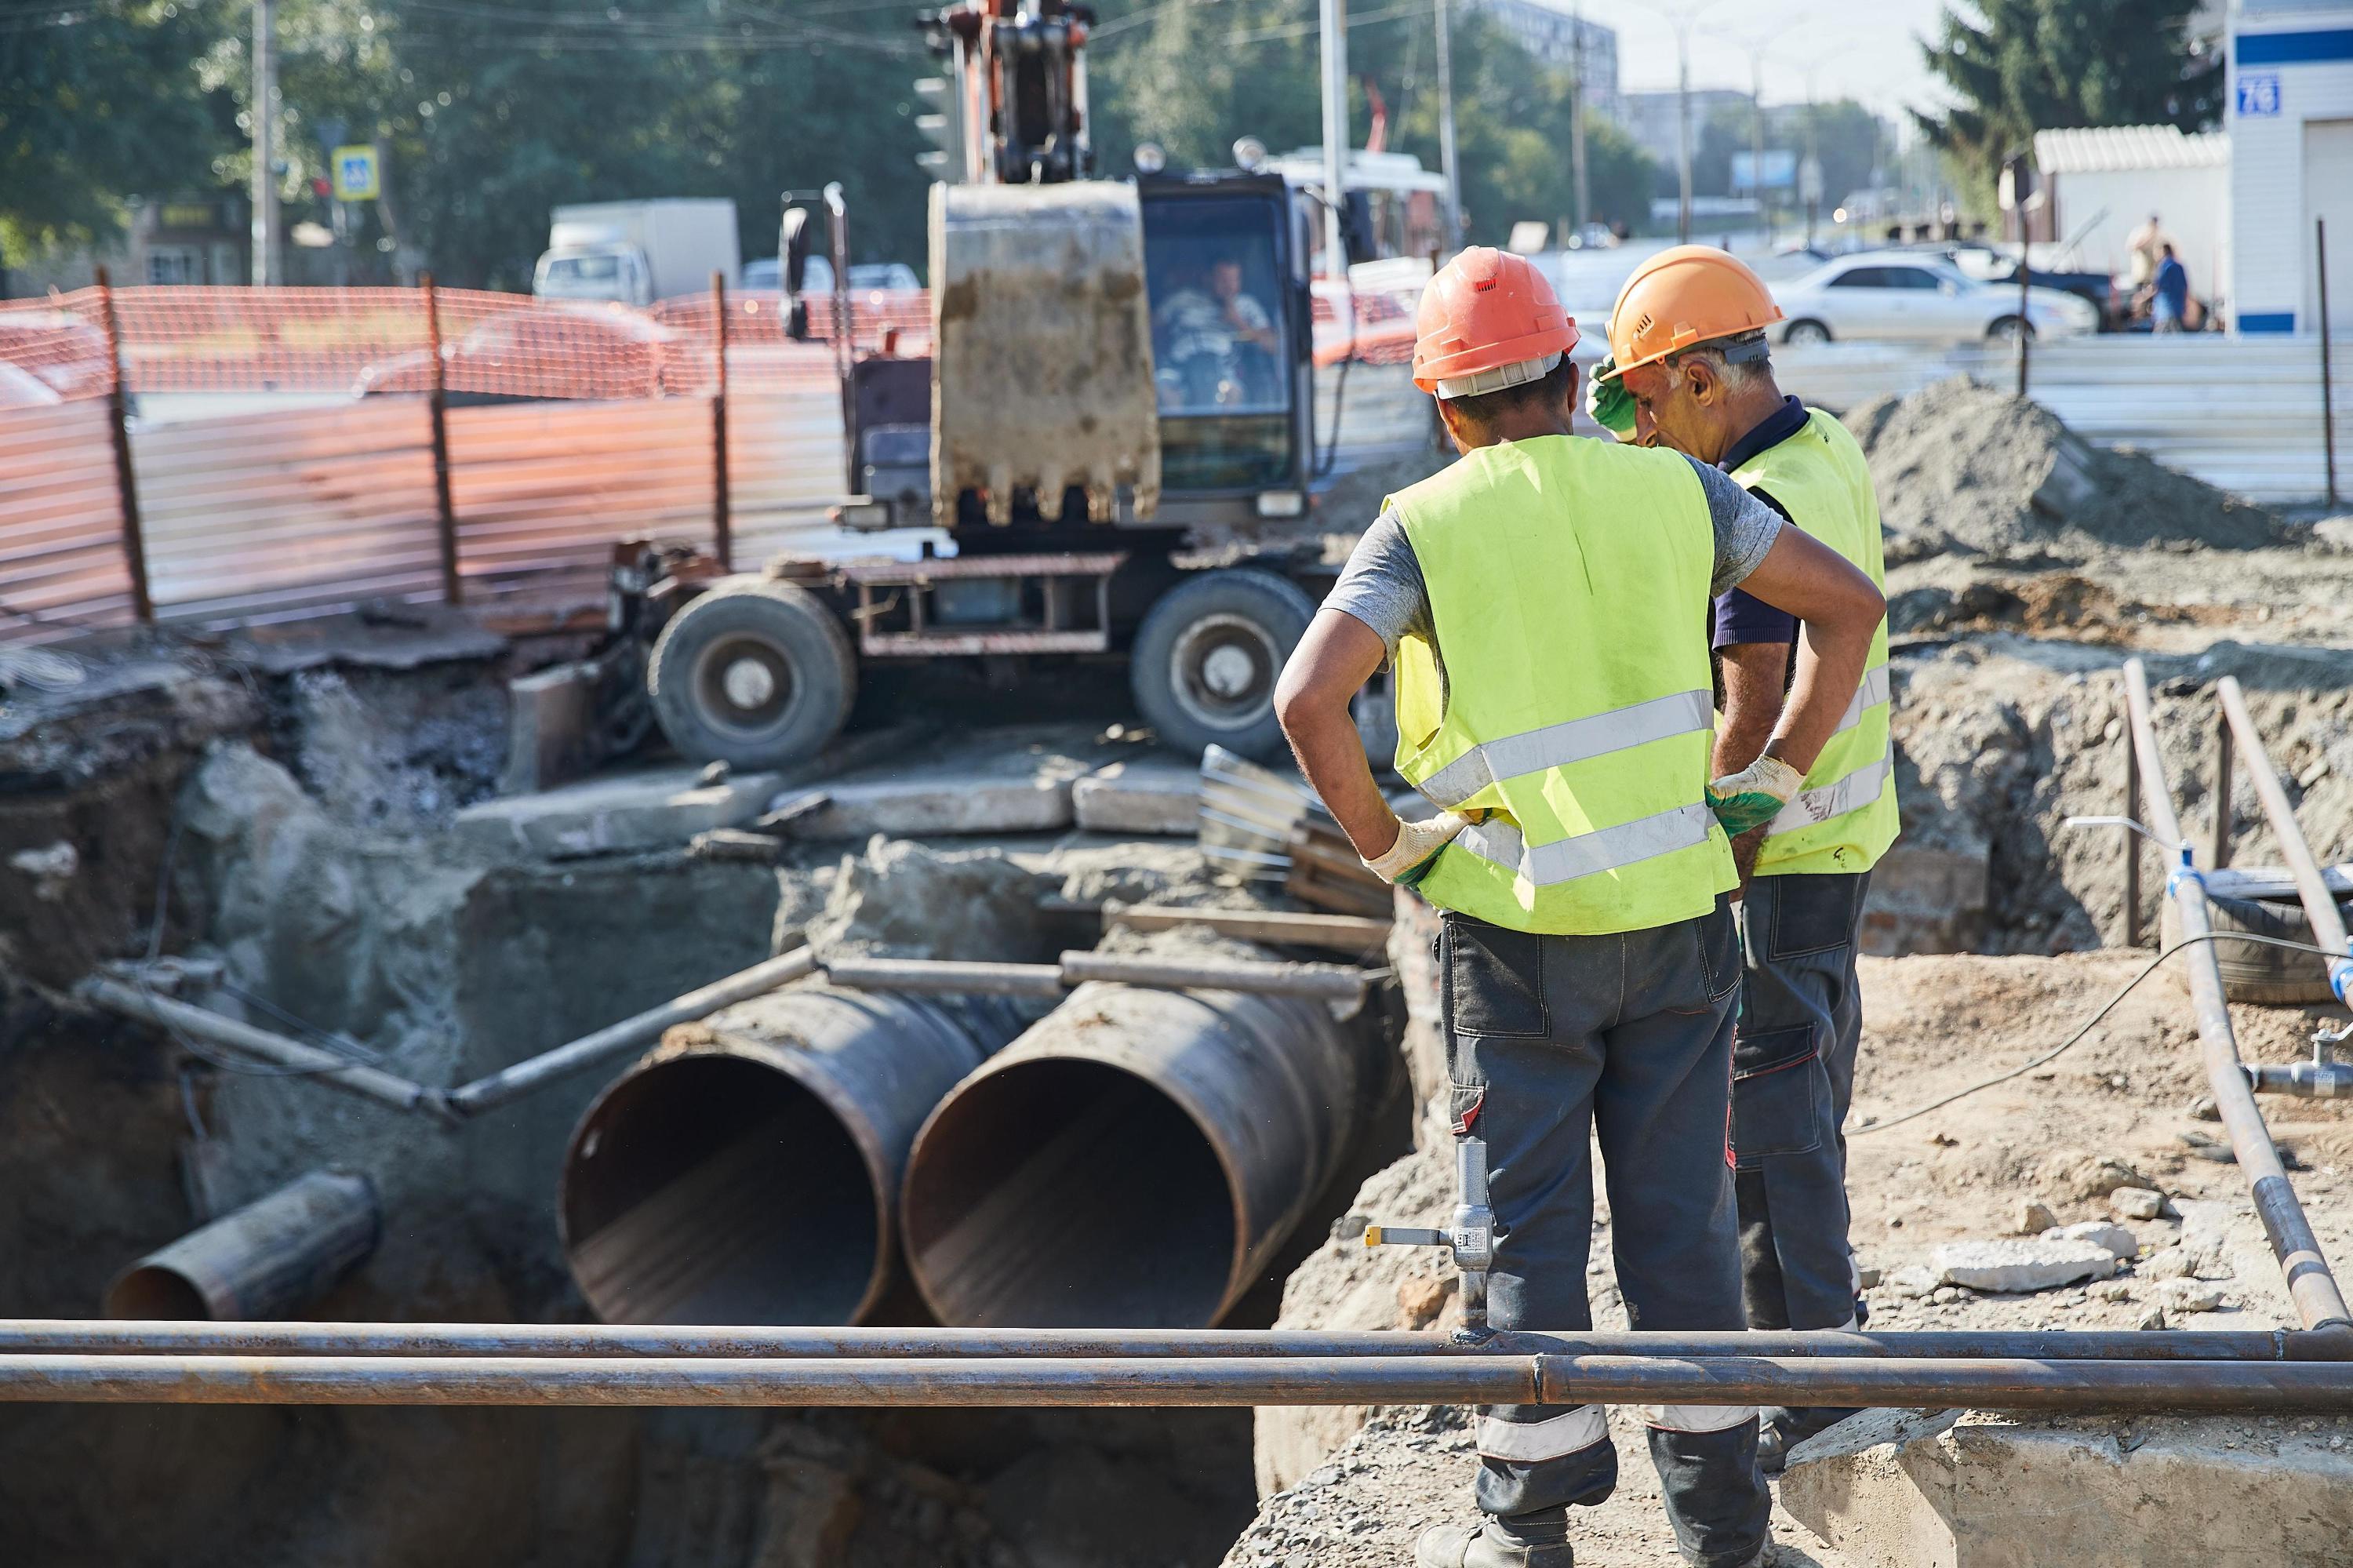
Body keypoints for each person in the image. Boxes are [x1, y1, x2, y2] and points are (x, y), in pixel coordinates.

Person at [1274, 247, 1886, 1568]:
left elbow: (1306, 700)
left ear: (1447, 406)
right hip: (1678, 927)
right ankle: (1726, 1535)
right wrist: (1769, 780)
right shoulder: (1682, 486)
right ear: (1570, 374)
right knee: (1684, 1235)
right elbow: (1849, 606)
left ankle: (1529, 1532)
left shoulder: (1421, 522)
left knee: (1524, 1231)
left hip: (1514, 938)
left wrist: (1396, 853)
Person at [1585, 246, 1900, 1472]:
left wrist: (1720, 833)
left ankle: (1807, 1379)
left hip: (1783, 852)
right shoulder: (1825, 443)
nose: (1646, 432)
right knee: (1806, 1093)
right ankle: (1823, 1344)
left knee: (1768, 1123)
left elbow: (1753, 689)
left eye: (1652, 403)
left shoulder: (1766, 496)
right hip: (1841, 841)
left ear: (1706, 377)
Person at [1151, 256, 1276, 406]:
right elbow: (1150, 327)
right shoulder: (1182, 299)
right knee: (1164, 392)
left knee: (1233, 394)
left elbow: (1272, 345)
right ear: (1208, 279)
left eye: (1234, 280)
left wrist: (1238, 322)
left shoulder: (1247, 305)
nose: (1229, 286)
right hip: (1178, 366)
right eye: (1223, 280)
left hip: (1225, 368)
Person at [2152, 243, 2190, 333]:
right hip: (2177, 308)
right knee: (2177, 337)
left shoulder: (2164, 267)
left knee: (2160, 337)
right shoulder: (2179, 266)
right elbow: (2185, 287)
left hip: (2165, 310)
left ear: (2163, 251)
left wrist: (2142, 297)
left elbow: (2157, 286)